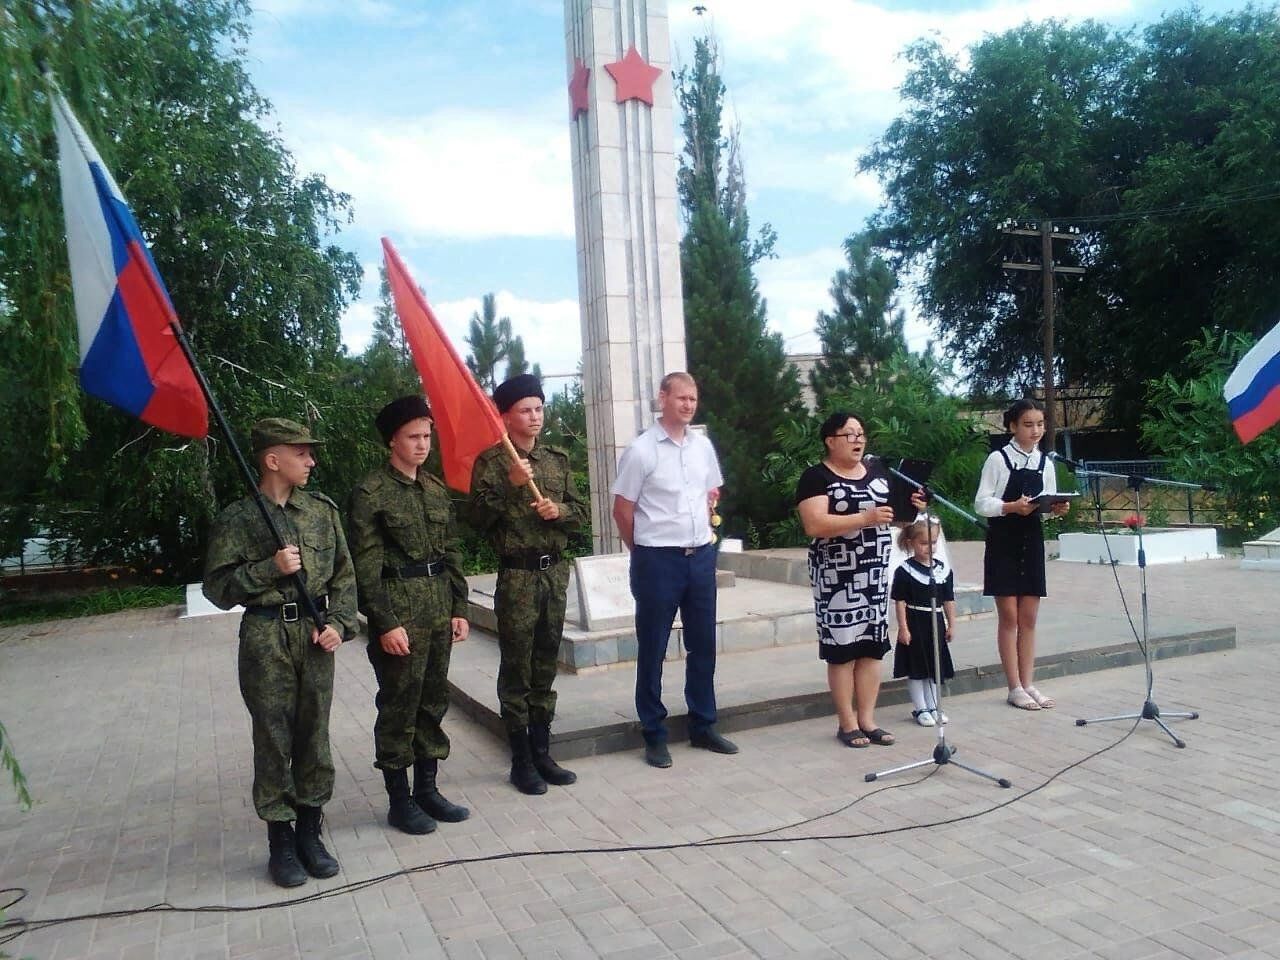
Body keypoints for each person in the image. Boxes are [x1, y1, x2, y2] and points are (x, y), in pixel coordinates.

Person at [203, 418, 356, 888]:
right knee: (273, 739)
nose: (311, 461)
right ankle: (281, 843)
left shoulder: (322, 512)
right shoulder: (239, 518)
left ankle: (311, 833)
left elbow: (345, 577)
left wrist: (339, 625)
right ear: (273, 460)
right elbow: (217, 588)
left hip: (314, 636)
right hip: (266, 637)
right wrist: (268, 569)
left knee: (314, 736)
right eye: (302, 453)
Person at [347, 396, 471, 835]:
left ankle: (428, 790)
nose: (423, 444)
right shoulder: (371, 494)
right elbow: (365, 564)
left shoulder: (435, 489)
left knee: (433, 700)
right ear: (392, 441)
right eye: (413, 437)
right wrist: (383, 622)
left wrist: (460, 606)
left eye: (427, 435)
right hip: (400, 610)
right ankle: (400, 801)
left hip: (438, 606)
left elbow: (451, 550)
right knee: (400, 704)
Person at [469, 373, 589, 795]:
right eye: (525, 409)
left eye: (539, 408)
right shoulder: (494, 461)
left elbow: (580, 514)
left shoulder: (556, 459)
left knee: (545, 663)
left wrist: (561, 512)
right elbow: (477, 519)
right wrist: (511, 485)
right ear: (506, 415)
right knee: (517, 667)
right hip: (518, 575)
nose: (534, 416)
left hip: (553, 573)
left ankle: (543, 750)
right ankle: (520, 759)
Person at [611, 372, 737, 768]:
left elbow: (711, 493)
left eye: (693, 398)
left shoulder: (702, 447)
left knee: (703, 643)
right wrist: (644, 550)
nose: (688, 404)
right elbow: (622, 510)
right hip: (657, 560)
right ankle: (654, 732)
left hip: (699, 556)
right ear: (662, 398)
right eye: (680, 397)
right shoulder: (642, 450)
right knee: (653, 647)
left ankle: (703, 724)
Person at [795, 412, 925, 748]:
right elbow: (815, 525)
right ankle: (847, 723)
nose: (857, 439)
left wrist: (911, 507)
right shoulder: (816, 477)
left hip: (874, 575)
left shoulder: (879, 471)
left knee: (871, 649)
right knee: (843, 651)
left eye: (861, 434)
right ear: (830, 440)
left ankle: (868, 720)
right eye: (849, 434)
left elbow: (896, 519)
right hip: (836, 578)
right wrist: (865, 518)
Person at [974, 398, 1070, 711]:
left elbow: (1046, 507)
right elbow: (981, 503)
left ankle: (1029, 683)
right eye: (1028, 424)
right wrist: (1010, 507)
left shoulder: (1046, 462)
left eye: (1040, 424)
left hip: (1032, 539)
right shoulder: (998, 459)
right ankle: (1013, 686)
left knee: (1029, 618)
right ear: (1013, 426)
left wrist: (1056, 509)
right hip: (1003, 540)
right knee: (1010, 617)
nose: (1035, 430)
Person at [892, 516, 956, 727]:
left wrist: (951, 624)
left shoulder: (943, 570)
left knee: (934, 667)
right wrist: (903, 627)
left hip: (935, 622)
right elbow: (900, 601)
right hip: (915, 622)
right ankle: (921, 707)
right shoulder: (904, 571)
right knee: (917, 667)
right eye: (924, 543)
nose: (930, 547)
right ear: (910, 543)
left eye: (934, 542)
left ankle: (935, 706)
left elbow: (948, 600)